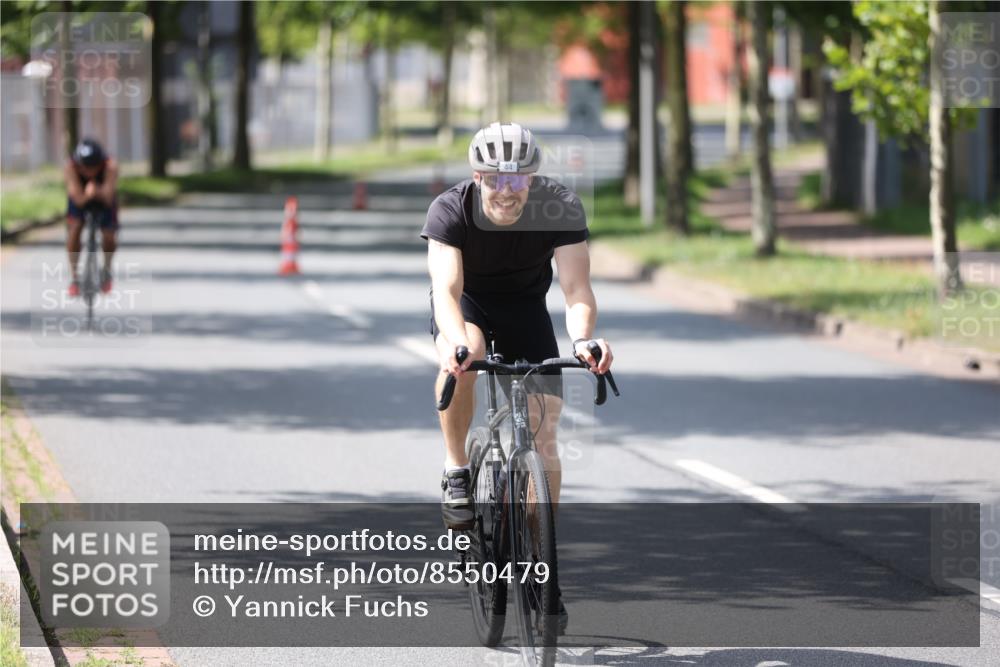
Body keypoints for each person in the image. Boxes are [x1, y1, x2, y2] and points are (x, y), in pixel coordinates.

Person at [422, 121, 614, 609]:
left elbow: (575, 289)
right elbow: (446, 289)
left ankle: (540, 553)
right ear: (477, 176)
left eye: (518, 180)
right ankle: (457, 468)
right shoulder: (450, 209)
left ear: (532, 179)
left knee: (543, 436)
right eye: (495, 179)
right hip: (469, 306)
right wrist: (453, 342)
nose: (506, 191)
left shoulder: (561, 206)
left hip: (527, 309)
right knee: (469, 354)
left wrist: (585, 339)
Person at [64, 138, 119, 296]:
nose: (88, 172)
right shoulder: (71, 167)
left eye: (93, 167)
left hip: (104, 199)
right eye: (84, 168)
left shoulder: (110, 166)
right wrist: (87, 195)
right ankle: (75, 277)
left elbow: (108, 197)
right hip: (80, 197)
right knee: (74, 230)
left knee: (109, 234)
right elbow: (77, 198)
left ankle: (106, 270)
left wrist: (98, 191)